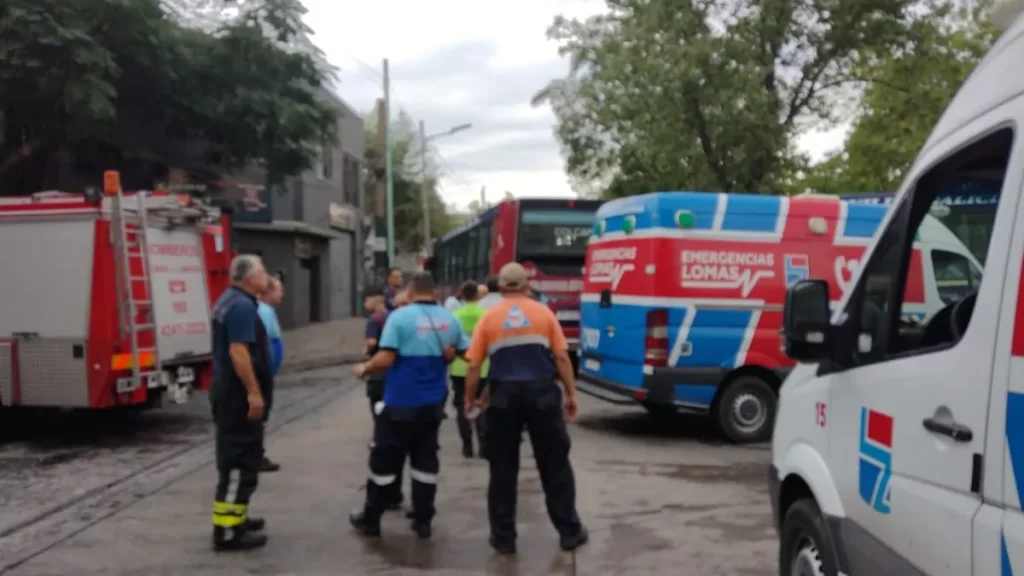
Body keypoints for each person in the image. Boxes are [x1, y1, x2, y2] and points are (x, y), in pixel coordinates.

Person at [463, 262, 588, 555]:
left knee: (503, 467)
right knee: (555, 463)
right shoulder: (544, 313)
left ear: (501, 286)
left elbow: (473, 364)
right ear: (527, 285)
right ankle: (569, 532)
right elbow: (561, 357)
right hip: (542, 394)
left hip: (503, 396)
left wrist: (471, 398)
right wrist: (571, 394)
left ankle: (504, 537)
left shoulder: (489, 317)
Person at [349, 272, 469, 539]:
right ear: (435, 293)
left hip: (400, 403)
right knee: (425, 461)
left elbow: (386, 357)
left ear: (412, 292)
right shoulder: (450, 320)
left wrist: (364, 368)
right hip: (432, 405)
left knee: (384, 462)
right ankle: (423, 520)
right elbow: (467, 354)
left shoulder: (399, 318)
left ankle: (371, 519)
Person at [209, 254, 272, 551]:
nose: (267, 278)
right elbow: (239, 352)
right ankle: (228, 531)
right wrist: (253, 392)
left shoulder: (229, 300)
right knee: (238, 463)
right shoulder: (241, 307)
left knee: (241, 460)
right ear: (248, 278)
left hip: (228, 394)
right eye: (262, 272)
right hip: (237, 398)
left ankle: (238, 517)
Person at [361, 284, 404, 510]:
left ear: (372, 299)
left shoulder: (374, 320)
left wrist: (367, 358)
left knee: (382, 433)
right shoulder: (395, 316)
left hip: (378, 378)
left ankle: (384, 496)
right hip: (396, 379)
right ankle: (397, 491)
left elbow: (371, 345)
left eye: (365, 301)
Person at [449, 281, 489, 458]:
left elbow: (450, 343)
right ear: (479, 296)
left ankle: (467, 446)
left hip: (459, 367)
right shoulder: (486, 314)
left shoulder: (455, 315)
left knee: (461, 406)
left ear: (462, 296)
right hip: (483, 366)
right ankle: (483, 445)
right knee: (482, 405)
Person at [256, 274, 284, 473]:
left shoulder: (265, 310)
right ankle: (256, 455)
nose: (282, 293)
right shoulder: (264, 311)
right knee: (259, 415)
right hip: (262, 373)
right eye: (279, 289)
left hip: (265, 371)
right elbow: (265, 342)